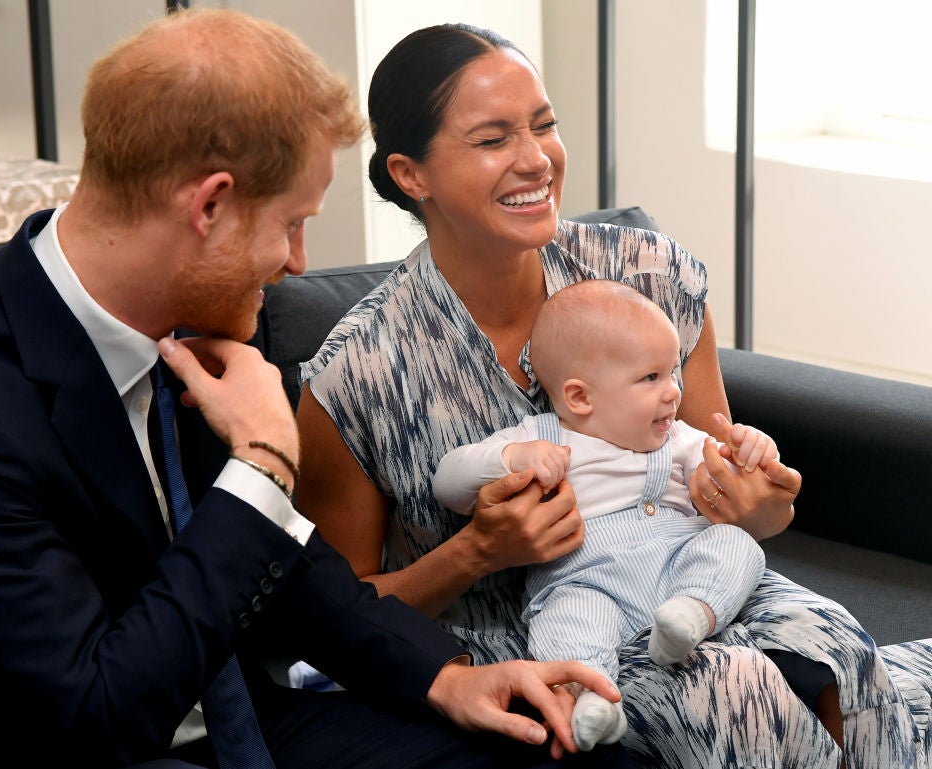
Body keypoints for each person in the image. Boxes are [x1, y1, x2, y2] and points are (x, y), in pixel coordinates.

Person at [0, 9, 634, 769]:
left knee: (566, 752)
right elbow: (95, 712)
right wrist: (258, 471)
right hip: (109, 738)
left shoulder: (205, 311)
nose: (297, 260)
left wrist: (448, 677)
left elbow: (293, 563)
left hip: (248, 720)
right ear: (209, 205)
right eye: (291, 223)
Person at [295, 22, 924, 769]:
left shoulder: (648, 275)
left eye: (544, 125)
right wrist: (475, 553)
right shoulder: (357, 374)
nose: (536, 159)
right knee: (733, 687)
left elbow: (729, 484)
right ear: (411, 174)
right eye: (494, 139)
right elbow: (337, 616)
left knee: (841, 647)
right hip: (551, 637)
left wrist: (757, 503)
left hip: (704, 583)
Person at [433, 279, 778, 750]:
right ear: (579, 398)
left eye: (673, 374)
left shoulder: (676, 439)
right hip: (586, 581)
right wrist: (512, 458)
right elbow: (448, 483)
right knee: (566, 620)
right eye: (651, 378)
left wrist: (752, 450)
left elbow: (727, 470)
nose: (673, 393)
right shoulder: (542, 438)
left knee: (737, 546)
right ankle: (594, 699)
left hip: (678, 564)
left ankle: (692, 615)